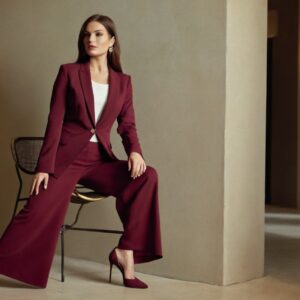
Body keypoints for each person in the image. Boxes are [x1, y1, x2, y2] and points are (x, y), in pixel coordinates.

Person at [0, 14, 162, 289]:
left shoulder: (123, 82)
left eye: (98, 34)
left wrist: (135, 152)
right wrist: (45, 166)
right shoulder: (69, 72)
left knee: (147, 176)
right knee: (36, 210)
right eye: (87, 34)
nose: (91, 39)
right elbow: (55, 121)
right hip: (66, 159)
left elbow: (128, 125)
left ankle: (125, 251)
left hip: (100, 162)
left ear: (111, 41)